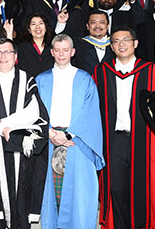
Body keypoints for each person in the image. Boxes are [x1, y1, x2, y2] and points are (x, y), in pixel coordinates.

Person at [93, 26, 155, 229]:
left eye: (126, 40)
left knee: (145, 190)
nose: (121, 44)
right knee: (115, 190)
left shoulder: (154, 72)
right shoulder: (101, 72)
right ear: (111, 46)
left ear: (135, 43)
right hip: (113, 142)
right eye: (116, 41)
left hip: (145, 141)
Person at [0, 37, 48, 228]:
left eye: (8, 52)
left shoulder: (26, 80)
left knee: (20, 200)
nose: (3, 56)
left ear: (16, 56)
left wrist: (1, 125)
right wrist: (2, 130)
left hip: (19, 152)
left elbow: (33, 112)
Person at [36, 34, 104, 229]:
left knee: (79, 197)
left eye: (65, 50)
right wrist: (50, 133)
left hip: (77, 141)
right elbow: (35, 111)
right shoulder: (41, 80)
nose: (61, 54)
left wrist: (67, 135)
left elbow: (90, 112)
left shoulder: (85, 79)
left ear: (73, 52)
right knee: (52, 196)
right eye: (57, 50)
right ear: (51, 52)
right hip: (49, 140)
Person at [17, 13, 55, 78]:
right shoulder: (21, 48)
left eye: (41, 23)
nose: (37, 27)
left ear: (46, 28)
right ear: (29, 29)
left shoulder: (54, 47)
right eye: (33, 24)